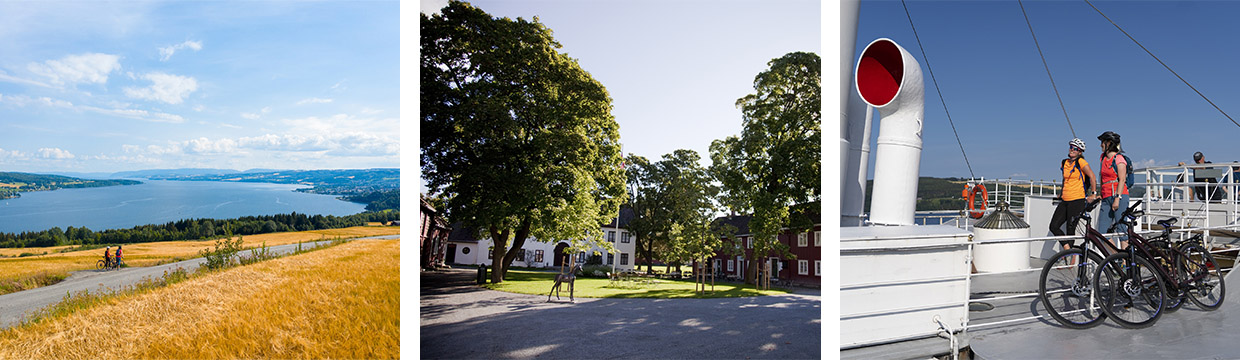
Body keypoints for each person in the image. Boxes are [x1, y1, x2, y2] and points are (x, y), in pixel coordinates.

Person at [1050, 138, 1099, 250]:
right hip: (1065, 200)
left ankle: (1068, 257)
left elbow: (1092, 176)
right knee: (1054, 226)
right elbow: (1065, 180)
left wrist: (1093, 194)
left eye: (1075, 148)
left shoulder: (1081, 162)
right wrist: (1061, 193)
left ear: (1080, 152)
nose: (1072, 150)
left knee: (1070, 229)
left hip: (1077, 200)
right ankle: (1068, 250)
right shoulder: (1065, 162)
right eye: (1071, 147)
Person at [1096, 131, 1129, 249]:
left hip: (1119, 196)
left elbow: (1122, 179)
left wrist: (1117, 198)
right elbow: (1102, 177)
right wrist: (1100, 193)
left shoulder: (1119, 159)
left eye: (1102, 143)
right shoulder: (1103, 158)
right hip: (1106, 197)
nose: (1100, 145)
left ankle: (1126, 263)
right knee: (1103, 232)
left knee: (1121, 229)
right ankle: (1117, 258)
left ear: (1109, 143)